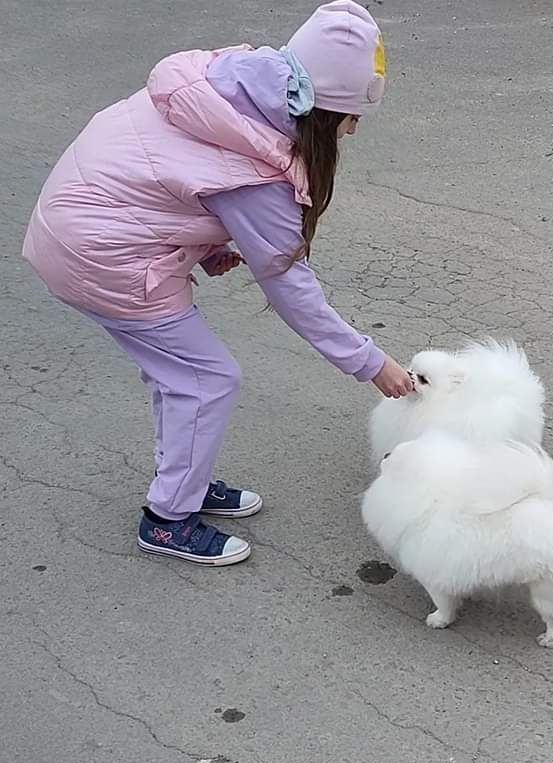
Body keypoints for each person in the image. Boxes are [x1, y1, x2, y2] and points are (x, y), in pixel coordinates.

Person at [22, 0, 414, 567]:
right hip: (102, 256)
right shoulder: (258, 166)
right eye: (351, 116)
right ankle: (167, 521)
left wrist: (206, 247)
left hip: (82, 231)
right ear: (323, 110)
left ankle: (185, 480)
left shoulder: (231, 87)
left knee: (180, 374)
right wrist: (372, 363)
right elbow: (289, 285)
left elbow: (164, 175)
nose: (353, 129)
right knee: (206, 379)